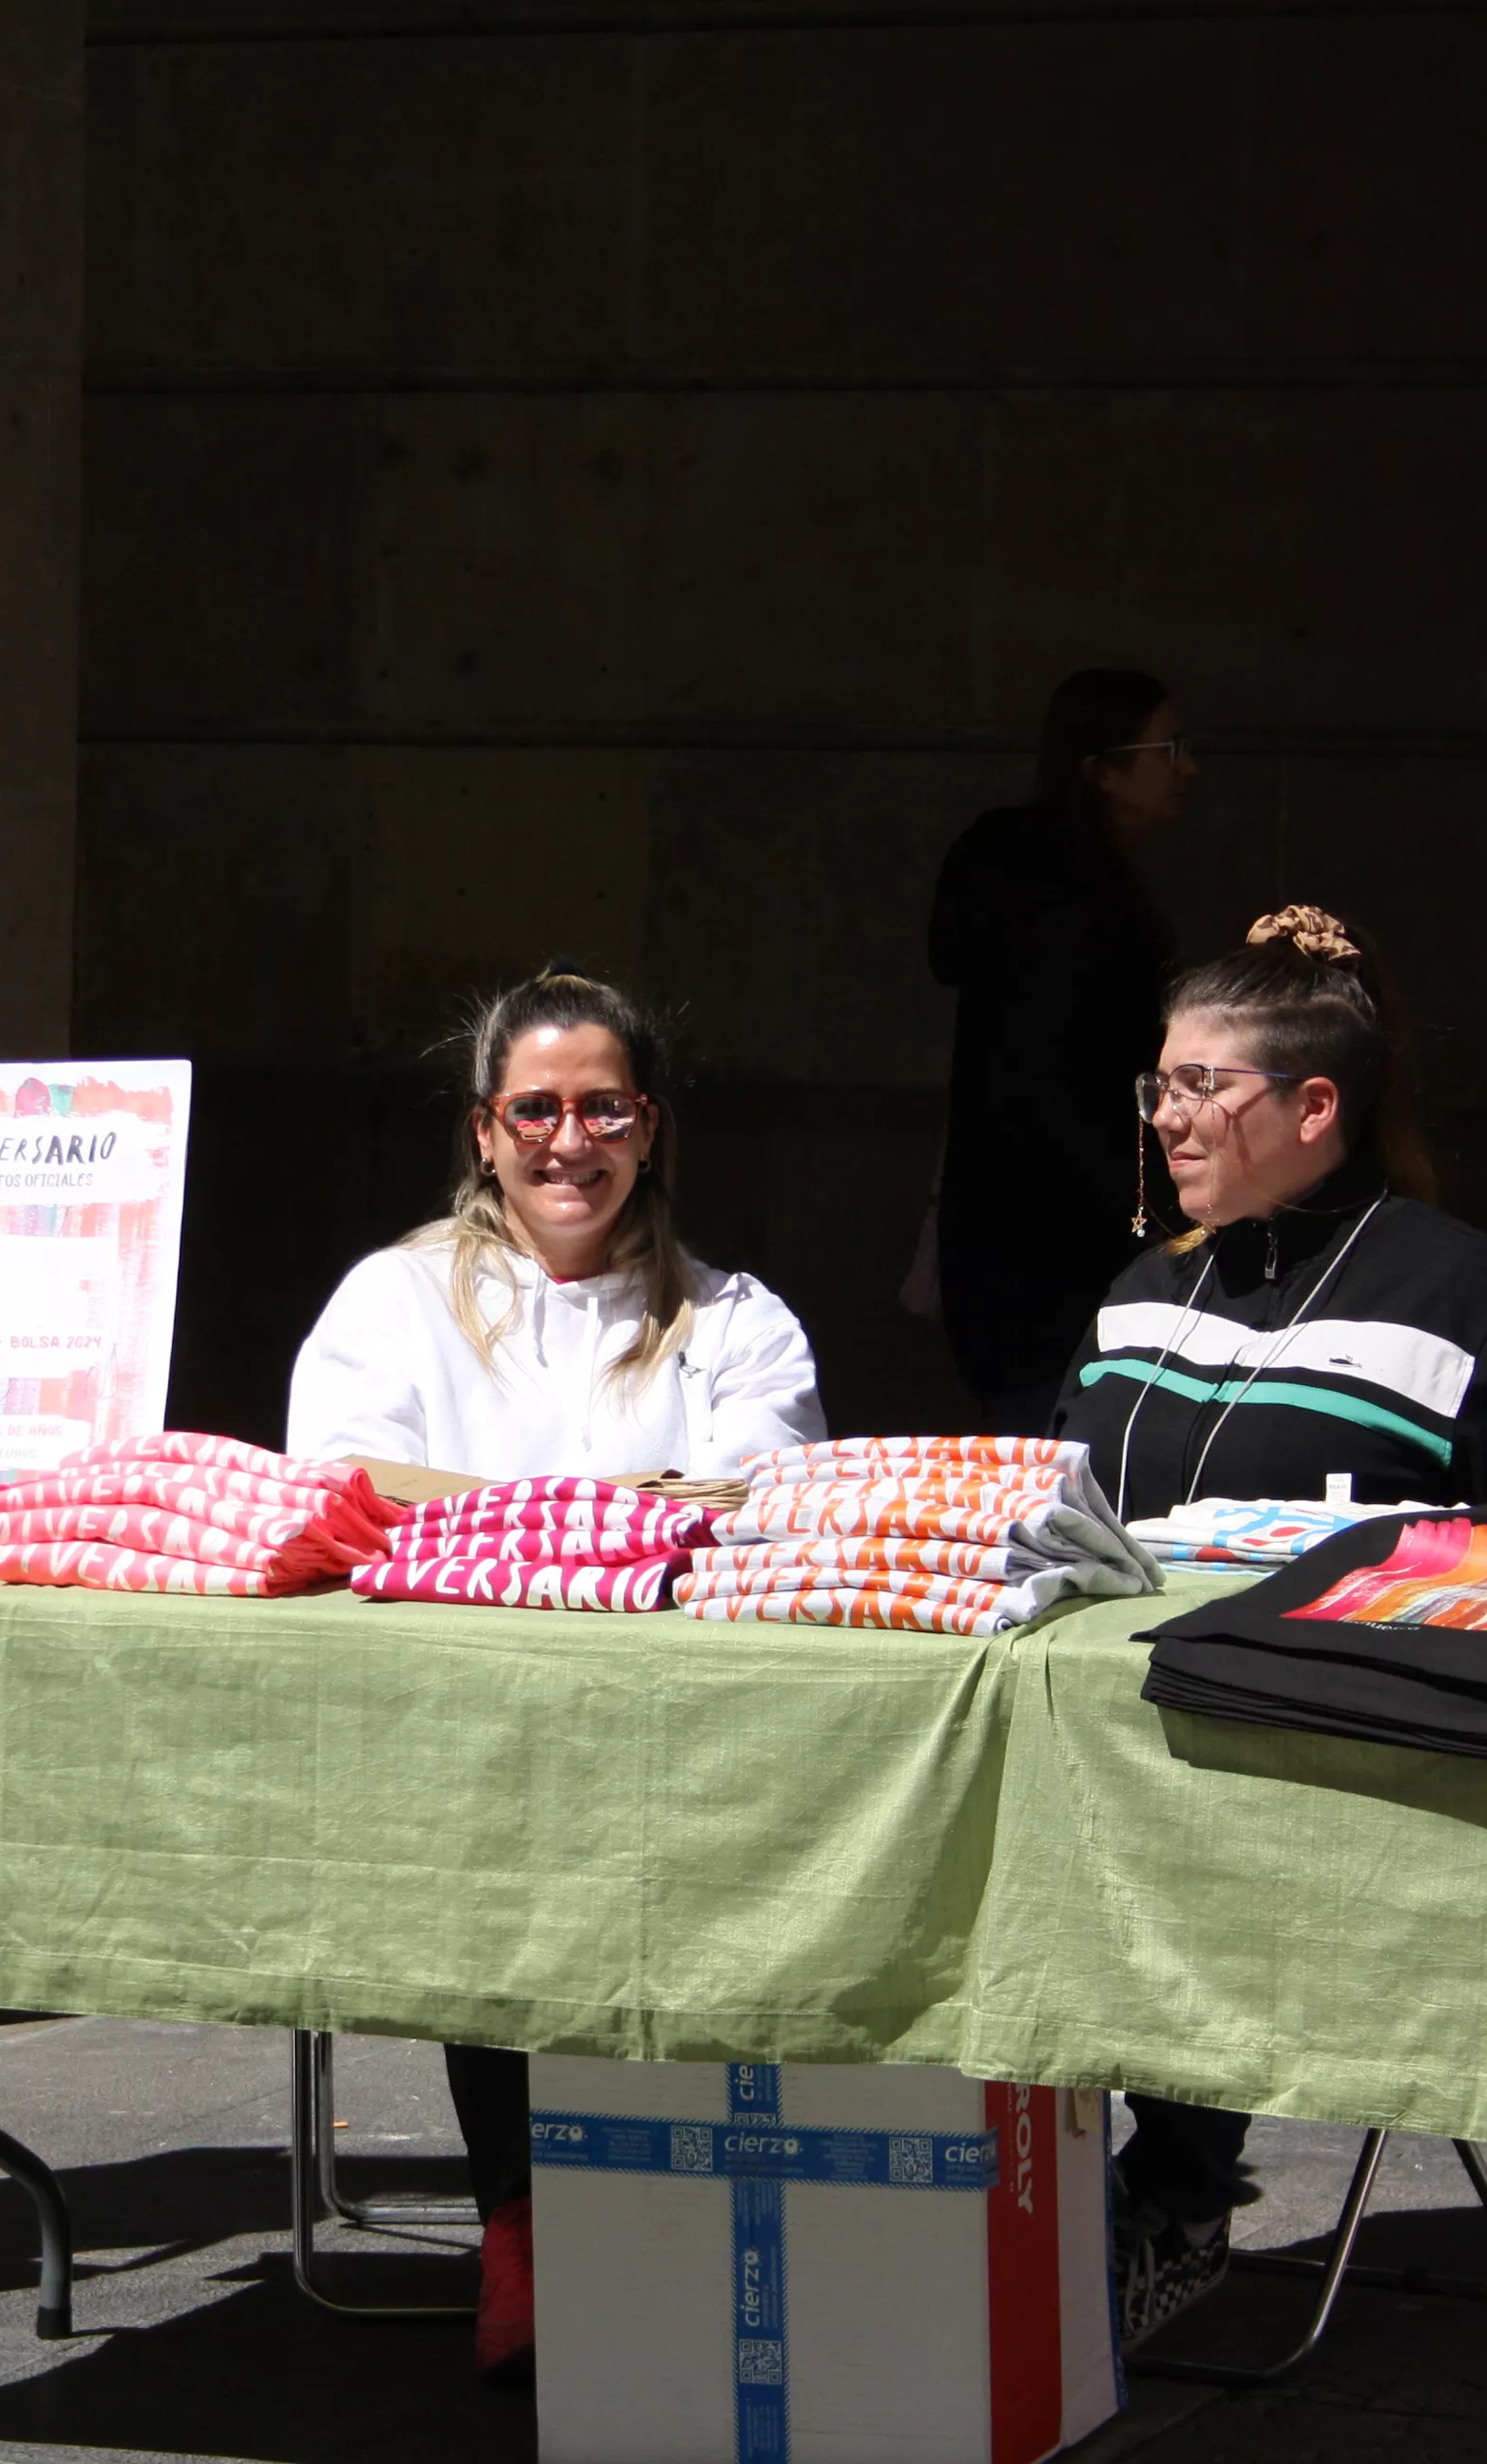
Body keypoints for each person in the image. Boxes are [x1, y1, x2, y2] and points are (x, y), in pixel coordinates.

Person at [1047, 901, 1487, 2342]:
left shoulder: (1475, 1300)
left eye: (1200, 1086)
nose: (1166, 1117)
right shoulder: (1137, 1294)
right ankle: (991, 2193)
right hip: (1099, 1749)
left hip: (1330, 1764)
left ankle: (1174, 2194)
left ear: (1315, 1106)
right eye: (1157, 1084)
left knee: (1190, 1820)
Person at [287, 967, 826, 2383]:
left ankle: (661, 2223)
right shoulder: (390, 1304)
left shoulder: (738, 1320)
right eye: (536, 1108)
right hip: (453, 1746)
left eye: (603, 1108)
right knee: (508, 1867)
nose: (566, 1141)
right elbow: (346, 1501)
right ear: (485, 1129)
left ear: (649, 1128)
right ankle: (524, 2220)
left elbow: (771, 1509)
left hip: (679, 1747)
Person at [924, 670, 1189, 1428]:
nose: (1188, 768)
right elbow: (1049, 1092)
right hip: (1059, 1260)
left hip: (1018, 1250)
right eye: (1169, 748)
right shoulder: (1069, 906)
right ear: (1100, 769)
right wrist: (1157, 1220)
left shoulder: (1076, 888)